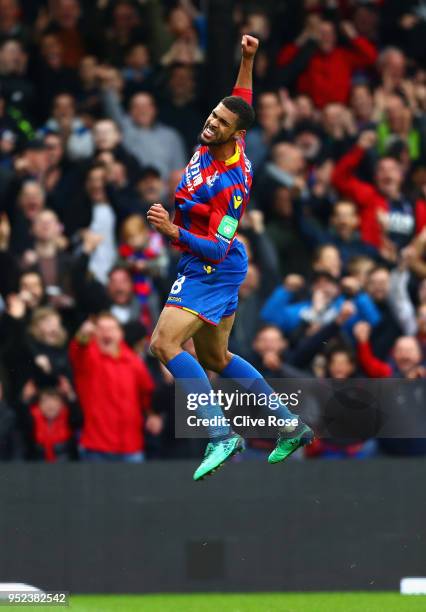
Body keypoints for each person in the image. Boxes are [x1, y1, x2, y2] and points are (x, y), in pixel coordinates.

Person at [146, 35, 313, 482]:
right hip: (215, 263)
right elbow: (242, 100)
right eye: (212, 116)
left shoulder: (231, 183)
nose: (211, 123)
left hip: (211, 265)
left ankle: (220, 434)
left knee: (163, 344)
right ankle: (289, 425)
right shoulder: (225, 135)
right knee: (216, 359)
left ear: (235, 135)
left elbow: (217, 248)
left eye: (220, 122)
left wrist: (172, 231)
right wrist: (248, 58)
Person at [69, 313, 160, 462]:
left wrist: (152, 414)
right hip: (96, 446)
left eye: (111, 329)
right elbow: (77, 349)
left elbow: (146, 393)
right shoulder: (88, 357)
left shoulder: (133, 361)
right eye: (101, 329)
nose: (106, 333)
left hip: (131, 446)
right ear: (94, 333)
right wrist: (83, 333)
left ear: (120, 334)